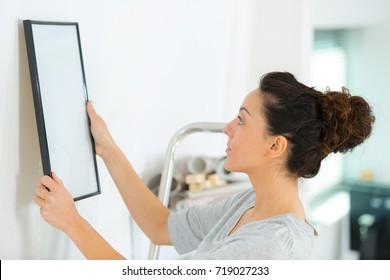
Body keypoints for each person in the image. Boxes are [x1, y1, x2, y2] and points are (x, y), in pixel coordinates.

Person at [35, 71, 375, 259]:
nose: (228, 127)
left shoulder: (268, 247)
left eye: (241, 121)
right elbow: (161, 226)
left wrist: (72, 223)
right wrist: (108, 148)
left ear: (276, 145)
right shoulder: (251, 204)